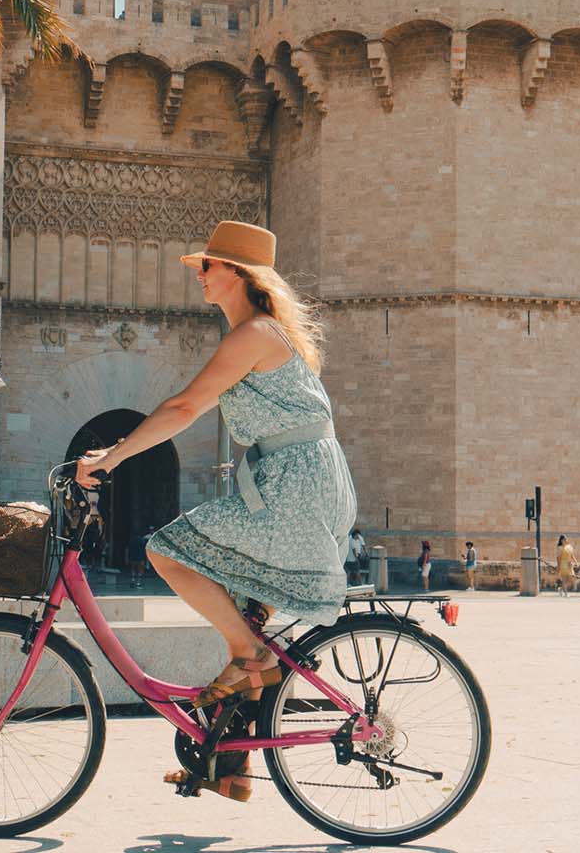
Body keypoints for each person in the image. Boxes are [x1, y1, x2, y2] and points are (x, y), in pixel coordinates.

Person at [78, 220, 356, 802]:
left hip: (292, 490)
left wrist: (114, 456)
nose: (200, 275)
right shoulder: (259, 333)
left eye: (208, 265)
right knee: (243, 631)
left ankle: (252, 658)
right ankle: (231, 770)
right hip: (299, 484)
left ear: (239, 273)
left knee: (165, 550)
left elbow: (184, 407)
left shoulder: (254, 334)